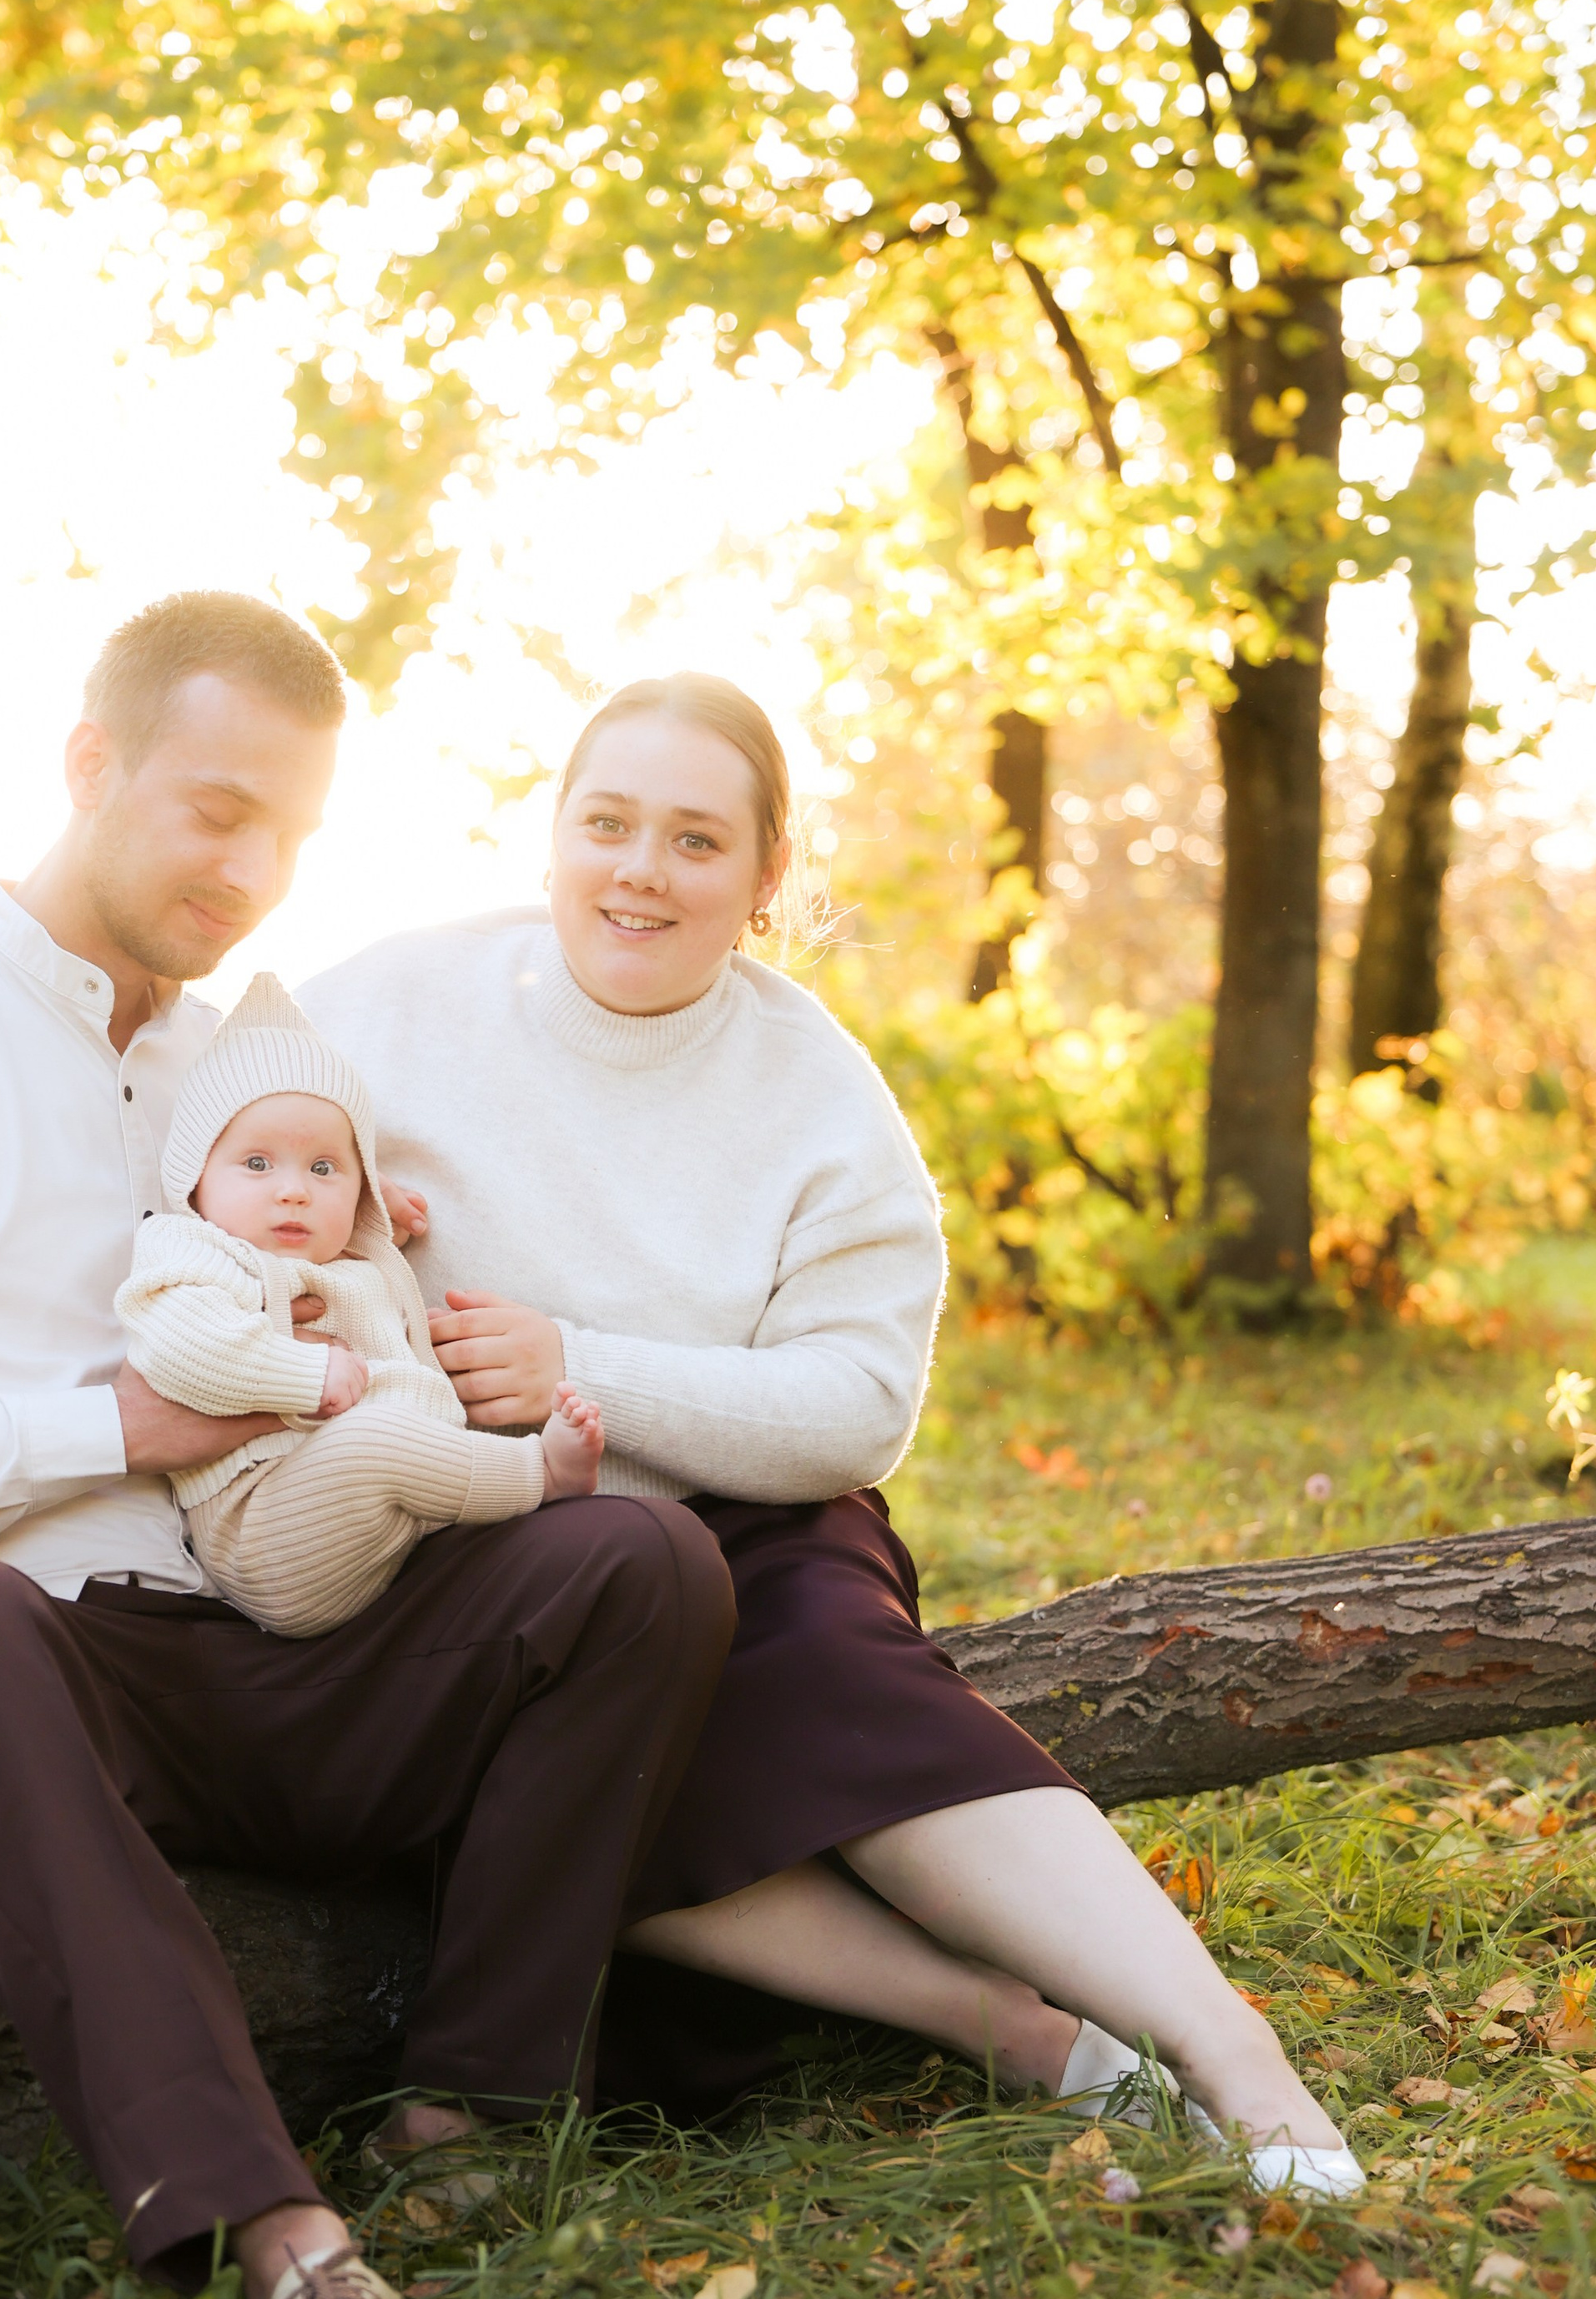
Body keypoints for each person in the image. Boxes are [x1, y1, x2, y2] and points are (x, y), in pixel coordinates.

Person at [0, 596, 735, 2299]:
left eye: (296, 836)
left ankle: (467, 2110)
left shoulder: (252, 1076)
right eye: (218, 810)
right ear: (90, 767)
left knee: (638, 1560)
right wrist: (105, 1428)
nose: (256, 870)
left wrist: (392, 1258)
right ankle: (279, 2245)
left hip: (290, 1650)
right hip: (30, 1679)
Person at [305, 671, 1363, 2199]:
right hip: (487, 1538)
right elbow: (213, 1148)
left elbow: (861, 1406)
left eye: (693, 840)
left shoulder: (814, 1090)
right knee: (532, 1755)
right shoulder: (388, 1001)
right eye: (606, 824)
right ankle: (1003, 2025)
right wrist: (339, 1216)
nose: (639, 872)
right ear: (552, 838)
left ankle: (1232, 2055)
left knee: (844, 1707)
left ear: (762, 878)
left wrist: (578, 1365)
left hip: (752, 1532)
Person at [118, 969, 605, 1636]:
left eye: (324, 1169)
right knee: (378, 1437)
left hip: (389, 1521)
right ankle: (541, 1474)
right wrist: (305, 1376)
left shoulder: (355, 1259)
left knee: (392, 1443)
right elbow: (179, 1349)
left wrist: (376, 1227)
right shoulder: (195, 1248)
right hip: (269, 1534)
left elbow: (366, 1233)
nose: (293, 1191)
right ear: (194, 1178)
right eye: (257, 1164)